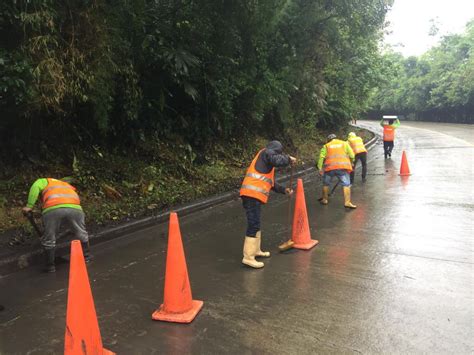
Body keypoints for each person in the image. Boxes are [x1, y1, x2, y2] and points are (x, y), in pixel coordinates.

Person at [239, 141, 296, 269]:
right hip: (251, 194)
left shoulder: (265, 162)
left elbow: (271, 183)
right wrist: (288, 158)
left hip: (252, 195)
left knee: (256, 223)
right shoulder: (267, 153)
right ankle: (248, 257)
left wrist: (283, 190)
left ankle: (256, 250)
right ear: (276, 150)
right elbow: (276, 159)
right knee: (253, 224)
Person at [22, 178, 90, 272]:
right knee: (81, 232)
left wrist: (29, 206)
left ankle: (50, 266)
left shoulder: (43, 181)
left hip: (53, 208)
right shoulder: (66, 185)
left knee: (49, 237)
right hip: (75, 208)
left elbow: (35, 187)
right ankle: (86, 258)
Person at [317, 134, 357, 209]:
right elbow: (352, 155)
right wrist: (352, 162)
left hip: (330, 168)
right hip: (342, 168)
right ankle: (347, 202)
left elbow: (321, 157)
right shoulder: (344, 143)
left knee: (326, 183)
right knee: (346, 184)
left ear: (329, 140)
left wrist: (320, 168)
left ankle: (325, 199)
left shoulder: (326, 146)